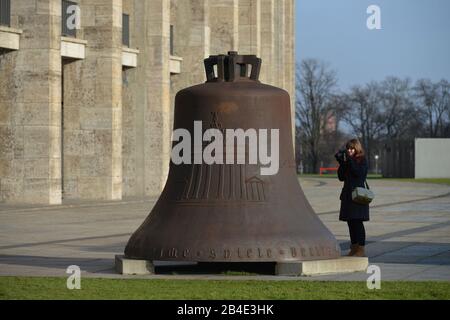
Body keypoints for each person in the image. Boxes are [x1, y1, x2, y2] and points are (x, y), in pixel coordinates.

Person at [335, 139, 369, 257]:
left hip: (358, 196)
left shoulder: (362, 160)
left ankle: (361, 248)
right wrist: (341, 163)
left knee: (357, 222)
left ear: (357, 149)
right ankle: (354, 248)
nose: (349, 150)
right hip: (348, 196)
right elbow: (341, 177)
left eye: (352, 148)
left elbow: (358, 174)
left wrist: (349, 161)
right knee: (350, 222)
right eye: (348, 148)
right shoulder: (348, 161)